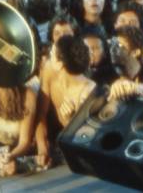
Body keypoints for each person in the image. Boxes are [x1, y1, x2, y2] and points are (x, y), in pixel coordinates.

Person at [35, 35, 97, 167]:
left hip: (79, 147)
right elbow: (40, 113)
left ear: (60, 63)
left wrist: (70, 120)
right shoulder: (49, 70)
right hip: (53, 135)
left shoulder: (87, 91)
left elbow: (87, 141)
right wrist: (42, 148)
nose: (50, 52)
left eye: (53, 52)